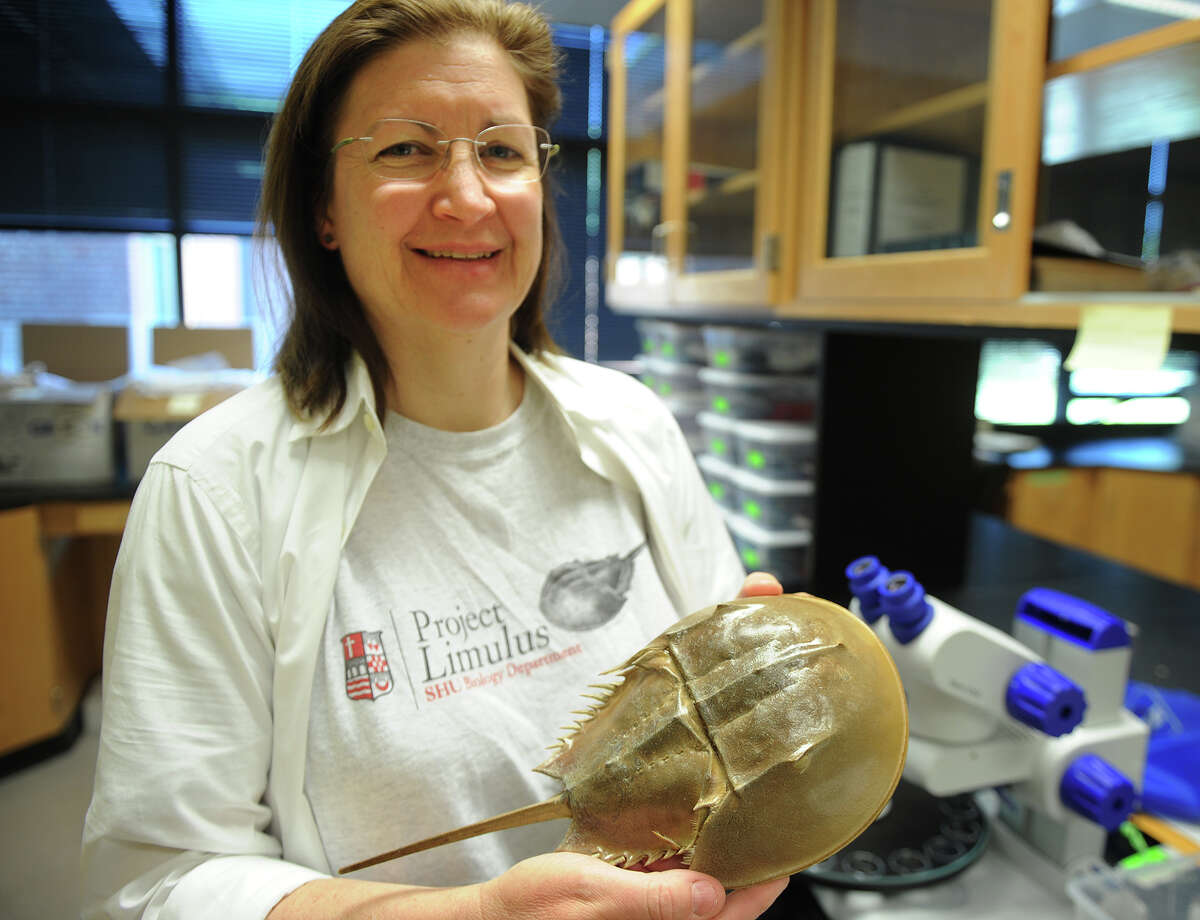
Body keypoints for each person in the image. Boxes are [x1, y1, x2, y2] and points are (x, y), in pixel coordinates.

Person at [81, 2, 789, 918]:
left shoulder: (634, 425)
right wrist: (477, 915)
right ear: (323, 209)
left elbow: (720, 739)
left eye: (500, 150)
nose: (466, 196)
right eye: (406, 150)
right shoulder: (214, 492)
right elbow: (164, 879)